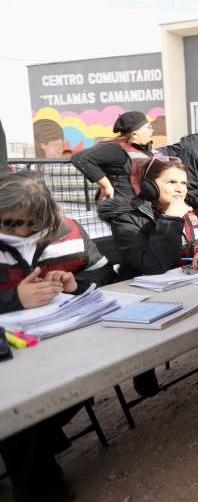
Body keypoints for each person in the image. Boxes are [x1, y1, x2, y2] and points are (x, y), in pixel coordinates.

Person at [98, 156, 198, 427]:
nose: (180, 189)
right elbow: (152, 266)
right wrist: (171, 217)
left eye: (183, 182)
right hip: (153, 297)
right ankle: (145, 366)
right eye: (171, 182)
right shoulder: (128, 217)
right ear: (148, 185)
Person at [0, 171, 113, 502]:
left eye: (33, 224)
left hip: (63, 343)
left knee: (81, 383)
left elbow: (104, 270)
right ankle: (39, 484)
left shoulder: (69, 231)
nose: (22, 232)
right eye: (10, 223)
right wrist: (14, 300)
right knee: (17, 408)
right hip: (10, 355)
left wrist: (77, 283)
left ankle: (39, 450)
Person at [71, 110, 158, 200]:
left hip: (139, 206)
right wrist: (106, 186)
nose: (151, 131)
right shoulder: (116, 149)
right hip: (121, 208)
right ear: (135, 132)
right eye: (148, 128)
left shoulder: (143, 149)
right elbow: (80, 158)